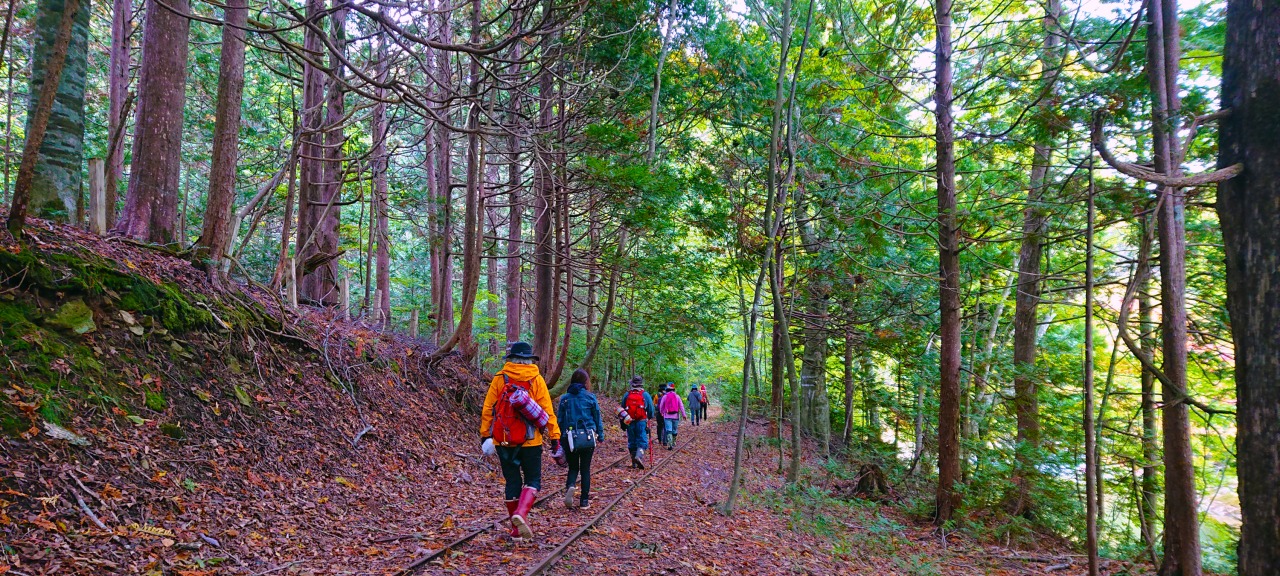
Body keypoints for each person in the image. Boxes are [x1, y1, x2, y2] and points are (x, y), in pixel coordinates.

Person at [479, 342, 561, 539]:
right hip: (531, 442)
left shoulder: (500, 378)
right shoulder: (536, 379)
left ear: (511, 359)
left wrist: (485, 435)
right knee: (533, 480)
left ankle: (516, 530)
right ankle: (520, 514)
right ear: (529, 360)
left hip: (503, 440)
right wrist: (555, 437)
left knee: (512, 481)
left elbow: (488, 408)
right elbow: (547, 411)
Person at [557, 369, 603, 509]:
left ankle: (570, 486)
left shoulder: (564, 398)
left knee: (573, 468)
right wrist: (600, 435)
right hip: (588, 437)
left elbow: (560, 420)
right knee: (585, 469)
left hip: (569, 437)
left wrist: (559, 438)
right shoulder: (590, 397)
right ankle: (584, 501)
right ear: (585, 381)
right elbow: (597, 417)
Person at [620, 376, 655, 469]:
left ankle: (634, 463)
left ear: (632, 384)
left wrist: (622, 423)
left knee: (632, 441)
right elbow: (651, 409)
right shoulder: (645, 395)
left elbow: (622, 410)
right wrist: (650, 417)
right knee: (642, 441)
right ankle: (639, 456)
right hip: (641, 421)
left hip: (629, 421)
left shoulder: (627, 395)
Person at [659, 383, 686, 449]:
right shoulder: (677, 396)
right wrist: (684, 414)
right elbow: (681, 406)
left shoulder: (665, 396)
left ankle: (670, 444)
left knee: (669, 430)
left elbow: (661, 405)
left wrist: (661, 412)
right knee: (674, 430)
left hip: (667, 416)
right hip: (676, 416)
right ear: (674, 389)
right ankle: (673, 443)